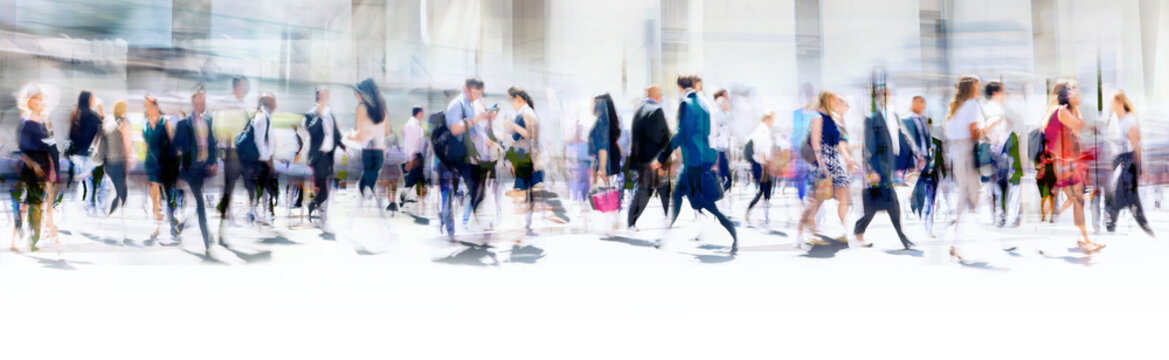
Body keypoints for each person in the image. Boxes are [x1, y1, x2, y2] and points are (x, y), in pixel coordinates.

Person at [662, 74, 738, 254]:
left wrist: (663, 156)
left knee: (699, 202)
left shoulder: (686, 103)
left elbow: (680, 133)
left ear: (680, 86)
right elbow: (711, 131)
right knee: (682, 196)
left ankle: (732, 233)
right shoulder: (704, 104)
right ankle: (666, 236)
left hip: (693, 162)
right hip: (702, 159)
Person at [853, 86, 916, 249]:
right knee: (892, 202)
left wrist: (909, 163)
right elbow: (868, 145)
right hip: (878, 166)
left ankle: (858, 232)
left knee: (875, 205)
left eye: (888, 93)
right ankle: (903, 237)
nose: (887, 96)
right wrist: (870, 169)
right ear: (878, 98)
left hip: (889, 166)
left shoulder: (894, 115)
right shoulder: (871, 118)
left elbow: (899, 140)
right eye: (883, 94)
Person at [1043, 80, 1101, 253]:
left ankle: (1083, 237)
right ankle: (1083, 239)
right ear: (1067, 96)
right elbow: (1079, 125)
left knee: (1077, 199)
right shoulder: (1063, 112)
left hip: (1067, 163)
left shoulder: (1063, 112)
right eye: (1074, 91)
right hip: (1065, 163)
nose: (1078, 94)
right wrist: (1076, 108)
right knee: (1077, 199)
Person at [797, 91, 858, 246]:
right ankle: (807, 232)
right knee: (816, 199)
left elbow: (838, 143)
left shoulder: (833, 118)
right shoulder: (817, 117)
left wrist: (848, 159)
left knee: (843, 194)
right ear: (827, 99)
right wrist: (821, 163)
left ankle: (845, 231)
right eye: (834, 99)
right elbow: (816, 141)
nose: (837, 102)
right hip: (823, 160)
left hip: (835, 160)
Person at [943, 75, 989, 261]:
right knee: (970, 197)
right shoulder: (971, 105)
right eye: (977, 86)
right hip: (967, 153)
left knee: (967, 196)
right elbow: (974, 133)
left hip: (957, 153)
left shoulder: (955, 107)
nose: (979, 89)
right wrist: (988, 126)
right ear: (971, 88)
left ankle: (958, 240)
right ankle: (959, 240)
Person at [173, 85, 220, 254]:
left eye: (204, 100)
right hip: (190, 168)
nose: (202, 103)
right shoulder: (183, 124)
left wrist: (213, 161)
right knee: (200, 203)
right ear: (193, 101)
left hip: (203, 167)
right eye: (199, 100)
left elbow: (212, 142)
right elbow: (176, 147)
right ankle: (207, 240)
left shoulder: (208, 120)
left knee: (197, 203)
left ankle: (180, 226)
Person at [438, 78, 487, 239]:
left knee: (474, 189)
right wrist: (475, 120)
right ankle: (450, 229)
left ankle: (458, 223)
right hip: (452, 157)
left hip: (465, 157)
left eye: (478, 94)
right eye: (474, 93)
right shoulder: (456, 104)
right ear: (465, 89)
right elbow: (455, 129)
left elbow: (472, 132)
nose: (475, 97)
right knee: (449, 195)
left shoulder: (470, 106)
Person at [1105, 90, 1154, 237]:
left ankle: (1113, 223)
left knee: (1122, 194)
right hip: (1118, 160)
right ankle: (1142, 225)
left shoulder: (1129, 121)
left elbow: (1137, 147)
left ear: (1120, 102)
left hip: (1128, 161)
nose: (1111, 105)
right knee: (1126, 195)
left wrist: (1143, 169)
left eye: (1112, 102)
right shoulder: (1115, 119)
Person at [15, 84, 56, 252]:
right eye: (37, 99)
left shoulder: (45, 122)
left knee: (36, 202)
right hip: (30, 168)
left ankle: (29, 235)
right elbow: (21, 150)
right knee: (34, 203)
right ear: (30, 101)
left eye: (41, 98)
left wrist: (53, 168)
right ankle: (30, 238)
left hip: (44, 166)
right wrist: (33, 165)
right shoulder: (25, 123)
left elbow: (51, 146)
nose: (40, 101)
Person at [626, 85, 672, 231]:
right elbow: (664, 137)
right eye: (661, 94)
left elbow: (635, 138)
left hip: (641, 160)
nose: (662, 97)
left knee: (647, 190)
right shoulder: (657, 111)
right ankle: (669, 218)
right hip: (655, 160)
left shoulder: (638, 110)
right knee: (660, 189)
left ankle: (631, 221)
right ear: (656, 95)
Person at [982, 81, 1022, 231]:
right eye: (1003, 92)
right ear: (995, 93)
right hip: (996, 152)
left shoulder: (995, 109)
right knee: (998, 185)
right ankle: (1000, 215)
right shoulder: (991, 109)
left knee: (999, 185)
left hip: (998, 152)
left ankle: (1000, 214)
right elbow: (990, 132)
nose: (1005, 95)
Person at [503, 87, 543, 236]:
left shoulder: (525, 112)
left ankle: (524, 225)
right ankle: (526, 225)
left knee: (523, 192)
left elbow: (528, 135)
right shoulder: (530, 111)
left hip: (525, 156)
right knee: (527, 192)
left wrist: (512, 126)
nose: (511, 103)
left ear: (518, 98)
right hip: (529, 156)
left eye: (511, 99)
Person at [304, 87, 347, 225]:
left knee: (326, 188)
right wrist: (320, 116)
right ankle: (320, 212)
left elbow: (336, 134)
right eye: (323, 96)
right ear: (317, 98)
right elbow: (311, 130)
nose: (325, 99)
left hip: (329, 157)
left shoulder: (330, 113)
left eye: (326, 96)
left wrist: (345, 147)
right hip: (318, 157)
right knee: (323, 189)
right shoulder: (310, 114)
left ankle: (317, 208)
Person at [348, 78, 391, 213]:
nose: (357, 96)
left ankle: (370, 194)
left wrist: (351, 136)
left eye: (358, 93)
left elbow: (360, 133)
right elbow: (387, 131)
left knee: (368, 174)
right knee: (370, 174)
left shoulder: (361, 108)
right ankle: (364, 196)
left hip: (367, 150)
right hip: (379, 151)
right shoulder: (382, 106)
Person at [215, 76, 251, 235]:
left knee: (237, 184)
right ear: (236, 86)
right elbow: (219, 125)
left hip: (241, 151)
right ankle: (224, 218)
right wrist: (225, 140)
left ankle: (227, 213)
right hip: (231, 151)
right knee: (230, 185)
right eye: (244, 86)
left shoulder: (242, 105)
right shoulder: (227, 103)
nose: (246, 89)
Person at [143, 94, 179, 244]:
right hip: (151, 163)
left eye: (148, 106)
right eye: (145, 106)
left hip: (164, 163)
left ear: (155, 107)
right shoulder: (145, 123)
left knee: (168, 195)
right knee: (155, 198)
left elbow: (172, 143)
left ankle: (173, 225)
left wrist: (175, 164)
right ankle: (157, 227)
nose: (146, 108)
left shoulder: (165, 122)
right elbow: (145, 145)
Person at [904, 96, 941, 237]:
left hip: (927, 160)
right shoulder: (906, 120)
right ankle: (916, 214)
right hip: (913, 162)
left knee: (929, 193)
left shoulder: (925, 120)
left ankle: (927, 225)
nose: (921, 105)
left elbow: (928, 139)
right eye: (918, 102)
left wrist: (930, 158)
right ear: (913, 102)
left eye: (923, 102)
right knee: (917, 190)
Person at [66, 90, 105, 215]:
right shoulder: (92, 116)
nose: (94, 101)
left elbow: (71, 135)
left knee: (81, 182)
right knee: (91, 183)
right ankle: (88, 207)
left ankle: (78, 207)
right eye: (92, 99)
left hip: (76, 154)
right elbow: (103, 127)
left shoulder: (75, 114)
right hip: (88, 154)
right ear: (89, 100)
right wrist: (101, 109)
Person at [243, 93, 278, 226]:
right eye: (274, 101)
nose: (276, 104)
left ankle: (257, 212)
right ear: (268, 102)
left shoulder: (265, 115)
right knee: (262, 186)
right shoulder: (262, 116)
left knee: (264, 187)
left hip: (264, 159)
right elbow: (260, 141)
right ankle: (253, 212)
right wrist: (268, 159)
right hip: (261, 160)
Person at [588, 93, 623, 232]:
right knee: (608, 189)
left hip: (606, 158)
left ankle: (609, 222)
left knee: (605, 189)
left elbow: (603, 145)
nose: (590, 106)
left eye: (592, 103)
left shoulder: (602, 121)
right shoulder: (608, 120)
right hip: (610, 156)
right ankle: (612, 220)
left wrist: (601, 168)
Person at [98, 101, 133, 217]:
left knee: (118, 187)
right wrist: (128, 159)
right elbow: (127, 143)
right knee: (121, 190)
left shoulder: (108, 119)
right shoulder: (123, 122)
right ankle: (113, 212)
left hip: (107, 161)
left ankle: (114, 209)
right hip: (119, 160)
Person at [745, 111, 776, 225]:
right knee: (762, 189)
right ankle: (751, 210)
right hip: (761, 164)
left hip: (762, 163)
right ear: (767, 119)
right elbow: (762, 149)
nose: (773, 122)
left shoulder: (761, 129)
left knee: (766, 188)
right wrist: (764, 167)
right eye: (772, 119)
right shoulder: (763, 130)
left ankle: (765, 214)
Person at [399, 105, 426, 212]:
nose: (423, 115)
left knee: (418, 180)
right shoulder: (412, 125)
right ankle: (405, 199)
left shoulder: (416, 125)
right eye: (422, 112)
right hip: (414, 156)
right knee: (413, 180)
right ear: (419, 113)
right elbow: (409, 143)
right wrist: (409, 159)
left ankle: (420, 199)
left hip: (417, 156)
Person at [710, 89, 732, 192]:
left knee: (723, 175)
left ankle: (718, 192)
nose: (727, 99)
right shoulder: (719, 104)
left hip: (720, 145)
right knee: (723, 174)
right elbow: (720, 121)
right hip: (718, 146)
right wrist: (727, 112)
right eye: (726, 96)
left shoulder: (716, 107)